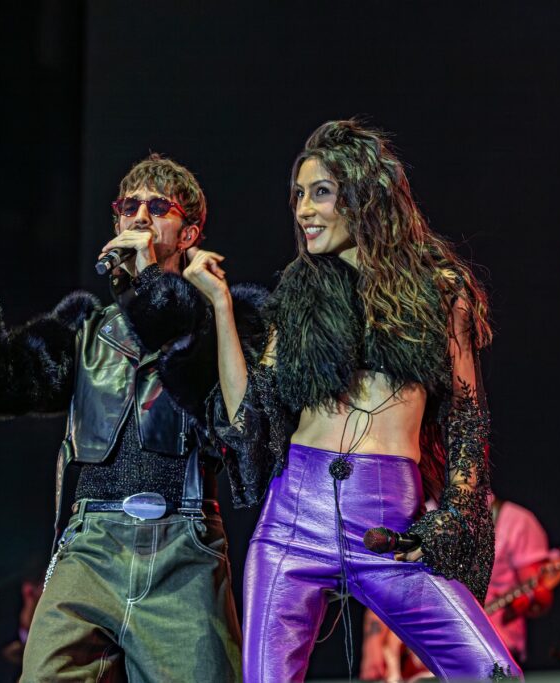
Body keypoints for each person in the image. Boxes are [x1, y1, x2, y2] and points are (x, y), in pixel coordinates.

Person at [183, 120, 520, 681]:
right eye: (298, 194)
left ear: (363, 195)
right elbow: (249, 420)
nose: (303, 210)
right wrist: (220, 306)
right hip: (293, 520)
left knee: (491, 673)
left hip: (389, 526)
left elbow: (467, 420)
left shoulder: (440, 288)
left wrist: (455, 518)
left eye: (320, 193)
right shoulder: (300, 291)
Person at [0, 154, 255, 682]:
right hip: (91, 547)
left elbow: (218, 403)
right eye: (128, 206)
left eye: (158, 207)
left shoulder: (220, 317)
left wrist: (148, 279)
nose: (139, 216)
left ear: (189, 233)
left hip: (182, 549)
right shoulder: (85, 330)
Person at [361, 496, 552, 681]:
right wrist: (373, 645)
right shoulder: (415, 521)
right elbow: (390, 588)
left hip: (493, 657)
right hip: (426, 661)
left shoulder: (516, 521)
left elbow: (537, 590)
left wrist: (531, 601)